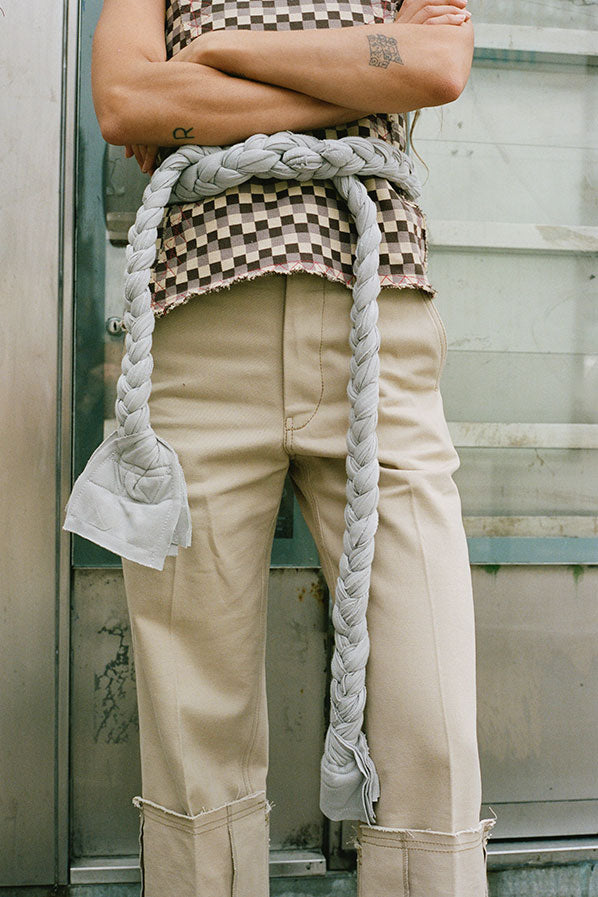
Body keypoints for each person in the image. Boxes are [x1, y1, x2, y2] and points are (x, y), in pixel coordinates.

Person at [91, 0, 496, 894]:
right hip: (201, 323)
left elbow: (435, 66)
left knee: (432, 720)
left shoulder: (218, 42)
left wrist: (223, 54)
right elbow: (125, 99)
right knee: (195, 730)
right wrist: (357, 85)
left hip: (377, 313)